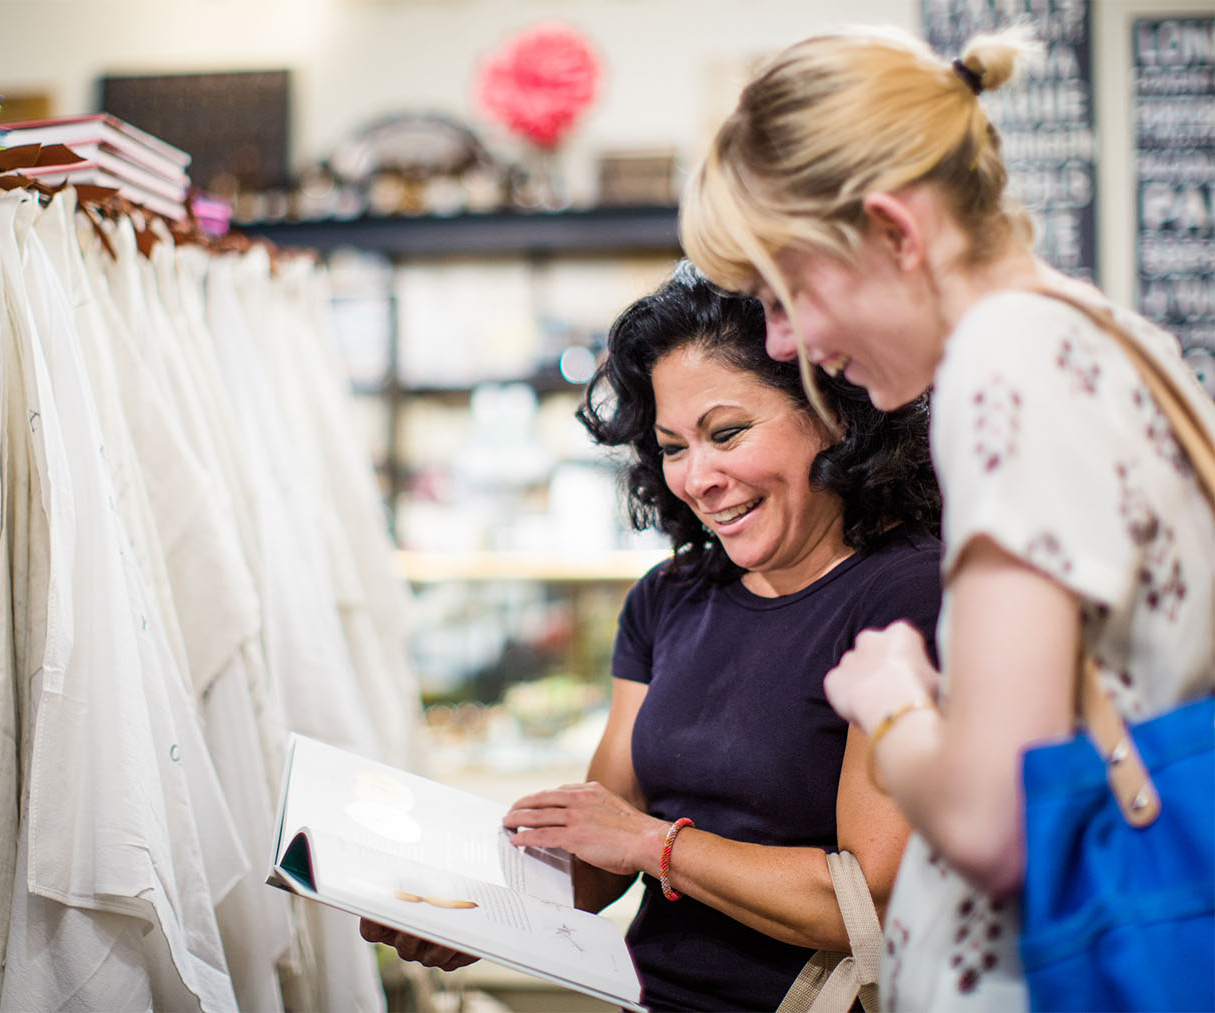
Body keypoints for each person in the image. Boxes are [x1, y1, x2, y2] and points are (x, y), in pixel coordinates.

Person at [677, 24, 1215, 1013]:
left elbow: (992, 821)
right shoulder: (1107, 335)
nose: (784, 341)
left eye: (785, 293)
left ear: (895, 232)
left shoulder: (1001, 367)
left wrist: (890, 698)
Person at [491, 261, 943, 1011]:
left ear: (833, 411)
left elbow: (865, 899)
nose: (696, 478)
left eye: (726, 433)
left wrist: (653, 843)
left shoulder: (910, 594)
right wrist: (473, 911)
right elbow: (604, 843)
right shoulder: (668, 597)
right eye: (672, 447)